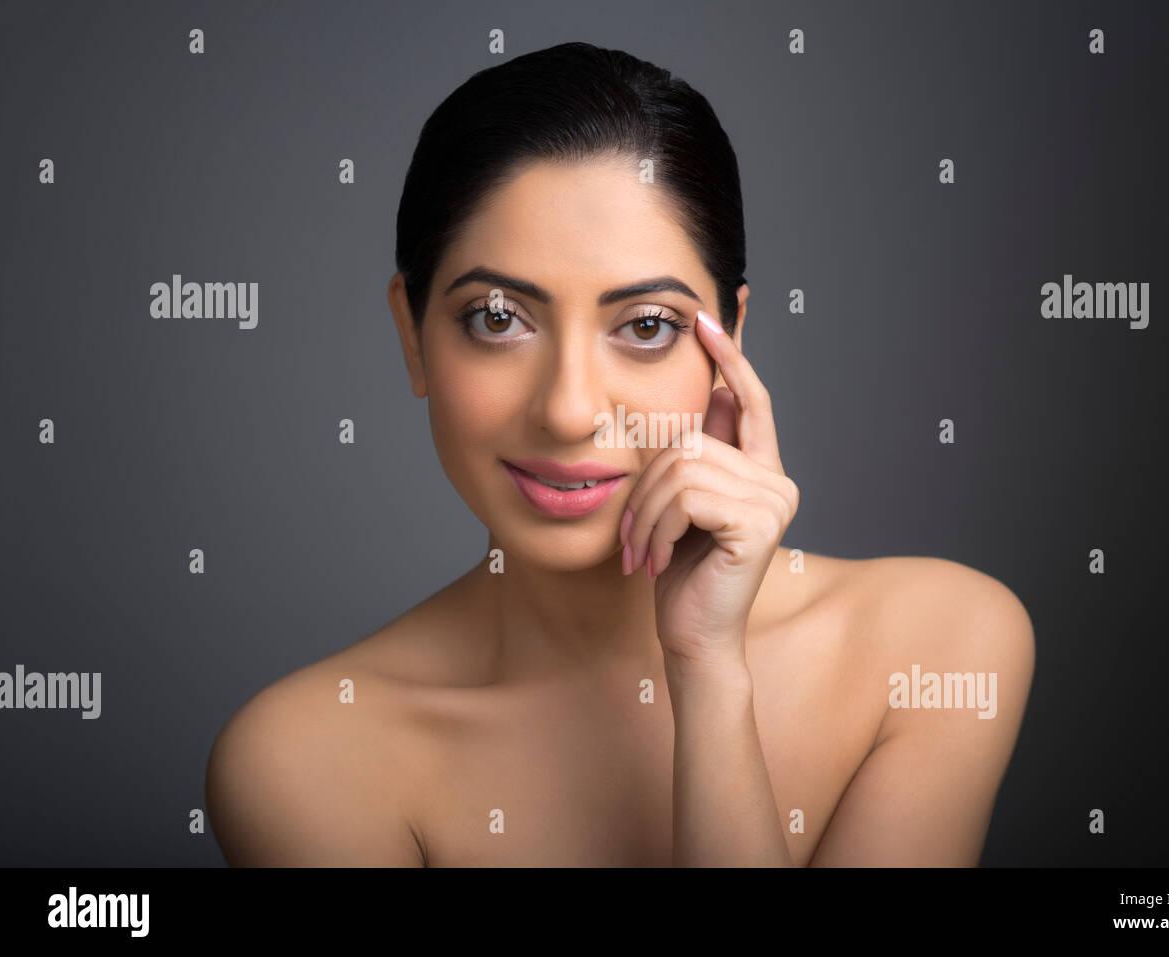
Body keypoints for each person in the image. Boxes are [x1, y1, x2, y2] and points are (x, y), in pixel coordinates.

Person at [205, 41, 1034, 867]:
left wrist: (708, 670)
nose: (569, 410)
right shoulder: (305, 761)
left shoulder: (940, 646)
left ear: (729, 344)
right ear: (412, 336)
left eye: (645, 326)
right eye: (497, 318)